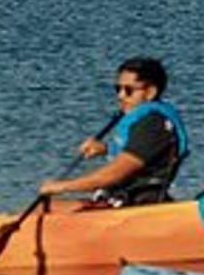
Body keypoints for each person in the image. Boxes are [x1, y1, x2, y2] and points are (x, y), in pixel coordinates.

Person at [39, 57, 188, 207]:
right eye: (118, 89)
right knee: (49, 207)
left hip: (141, 204)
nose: (120, 96)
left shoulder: (152, 125)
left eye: (129, 90)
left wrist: (62, 186)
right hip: (123, 199)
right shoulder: (145, 121)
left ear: (150, 92)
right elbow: (141, 152)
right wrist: (106, 149)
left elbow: (114, 174)